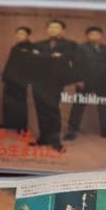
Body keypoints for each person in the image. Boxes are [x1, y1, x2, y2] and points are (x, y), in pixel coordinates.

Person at [65, 26, 106, 140]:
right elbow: (76, 64)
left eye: (97, 34)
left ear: (101, 36)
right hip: (85, 81)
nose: (94, 36)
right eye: (92, 34)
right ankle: (71, 132)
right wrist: (78, 80)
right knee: (78, 107)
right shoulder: (80, 47)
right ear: (87, 36)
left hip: (103, 82)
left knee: (104, 107)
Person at [31, 19, 77, 151]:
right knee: (40, 110)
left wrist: (41, 56)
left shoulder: (71, 44)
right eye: (50, 27)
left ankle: (55, 141)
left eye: (56, 27)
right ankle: (43, 138)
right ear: (47, 30)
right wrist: (53, 56)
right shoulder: (38, 44)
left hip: (55, 82)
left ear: (63, 30)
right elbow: (32, 60)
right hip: (38, 81)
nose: (53, 30)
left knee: (53, 110)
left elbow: (68, 58)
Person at [0, 26, 37, 132]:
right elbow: (10, 63)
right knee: (7, 101)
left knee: (20, 103)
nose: (19, 36)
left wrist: (27, 79)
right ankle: (7, 123)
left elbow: (32, 65)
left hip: (21, 80)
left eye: (22, 33)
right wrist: (5, 76)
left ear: (28, 35)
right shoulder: (15, 47)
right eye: (18, 33)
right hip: (10, 79)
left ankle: (21, 127)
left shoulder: (32, 47)